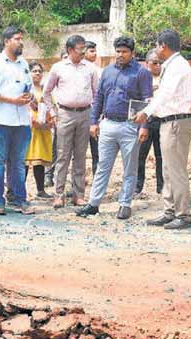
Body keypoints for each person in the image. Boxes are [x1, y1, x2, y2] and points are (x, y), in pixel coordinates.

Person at [76, 36, 152, 219]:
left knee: (130, 168)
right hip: (108, 124)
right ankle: (93, 204)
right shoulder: (108, 71)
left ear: (132, 53)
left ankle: (125, 204)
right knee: (103, 166)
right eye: (118, 51)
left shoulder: (142, 73)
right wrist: (94, 122)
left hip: (130, 126)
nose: (120, 55)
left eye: (124, 52)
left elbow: (148, 102)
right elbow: (99, 97)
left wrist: (144, 126)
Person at [133, 29, 191, 230]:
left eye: (157, 46)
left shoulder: (177, 65)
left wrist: (147, 111)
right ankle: (170, 211)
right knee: (168, 170)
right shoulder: (173, 65)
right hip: (169, 122)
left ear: (163, 46)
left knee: (175, 171)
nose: (156, 50)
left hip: (176, 122)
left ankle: (183, 215)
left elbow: (165, 94)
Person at [0, 26, 35, 215]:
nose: (21, 42)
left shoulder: (24, 63)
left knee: (19, 163)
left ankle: (21, 200)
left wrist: (30, 97)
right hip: (1, 121)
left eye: (21, 39)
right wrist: (12, 100)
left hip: (22, 122)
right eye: (17, 39)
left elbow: (31, 88)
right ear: (6, 41)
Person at [44, 35, 99, 209]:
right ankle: (58, 195)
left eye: (84, 48)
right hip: (64, 115)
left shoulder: (90, 68)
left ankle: (78, 195)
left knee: (81, 157)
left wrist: (95, 118)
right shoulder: (58, 68)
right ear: (69, 50)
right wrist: (53, 112)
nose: (83, 52)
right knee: (62, 155)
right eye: (79, 49)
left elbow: (97, 93)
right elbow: (47, 92)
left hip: (85, 114)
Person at [135, 49, 164, 195]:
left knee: (161, 156)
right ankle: (137, 186)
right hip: (145, 122)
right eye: (154, 63)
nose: (158, 65)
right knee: (140, 155)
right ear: (147, 64)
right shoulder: (141, 79)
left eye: (160, 62)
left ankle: (161, 187)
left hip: (162, 121)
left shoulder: (167, 78)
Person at [24, 62, 53, 198]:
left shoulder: (45, 90)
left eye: (39, 71)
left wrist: (49, 122)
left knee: (39, 160)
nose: (37, 73)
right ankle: (18, 190)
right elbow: (24, 107)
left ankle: (40, 191)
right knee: (24, 160)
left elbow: (51, 106)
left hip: (43, 128)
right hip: (29, 128)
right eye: (34, 71)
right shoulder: (26, 89)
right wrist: (33, 121)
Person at [44, 50, 69, 188]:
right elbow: (47, 96)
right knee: (55, 148)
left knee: (69, 151)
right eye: (64, 57)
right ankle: (49, 175)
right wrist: (53, 113)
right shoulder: (56, 74)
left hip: (70, 116)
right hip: (57, 117)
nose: (67, 60)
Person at [83, 40, 101, 177]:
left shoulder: (99, 70)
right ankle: (78, 185)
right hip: (81, 115)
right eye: (91, 51)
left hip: (96, 115)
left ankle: (97, 181)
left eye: (95, 51)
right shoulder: (79, 70)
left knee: (97, 152)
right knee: (79, 153)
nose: (94, 54)